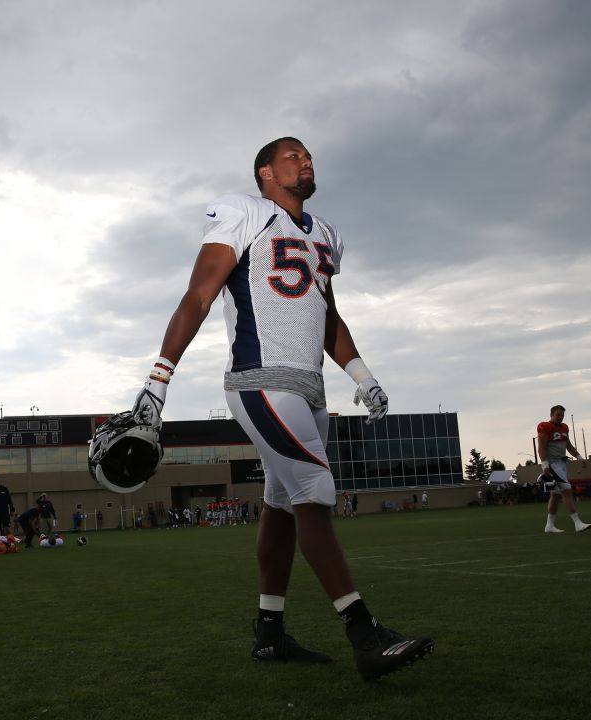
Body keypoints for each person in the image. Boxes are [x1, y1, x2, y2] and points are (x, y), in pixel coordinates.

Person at [129, 137, 432, 680]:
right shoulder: (244, 213)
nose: (306, 161)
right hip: (259, 379)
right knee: (314, 488)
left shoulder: (327, 235)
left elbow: (327, 317)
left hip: (310, 387)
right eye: (293, 156)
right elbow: (199, 294)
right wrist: (159, 378)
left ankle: (269, 633)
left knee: (282, 503)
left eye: (309, 155)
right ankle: (364, 633)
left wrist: (362, 376)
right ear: (265, 172)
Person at [538, 405, 591, 533]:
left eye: (562, 415)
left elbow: (568, 445)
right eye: (558, 414)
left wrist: (580, 458)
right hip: (552, 464)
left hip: (561, 464)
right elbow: (541, 447)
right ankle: (577, 523)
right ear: (551, 414)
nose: (560, 417)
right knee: (567, 491)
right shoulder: (545, 426)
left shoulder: (564, 427)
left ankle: (549, 526)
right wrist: (545, 465)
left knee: (555, 495)